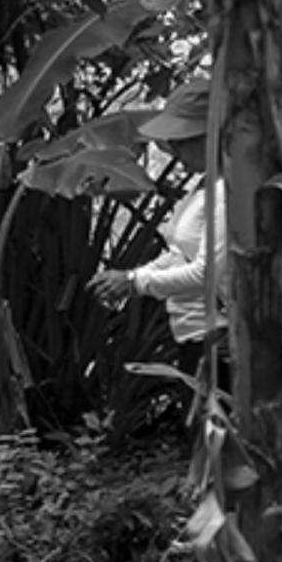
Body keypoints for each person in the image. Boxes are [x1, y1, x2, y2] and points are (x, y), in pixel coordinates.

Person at [90, 78, 216, 370]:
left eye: (182, 143)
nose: (176, 152)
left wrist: (136, 283)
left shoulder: (228, 191)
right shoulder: (203, 186)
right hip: (196, 338)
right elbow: (180, 252)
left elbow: (207, 273)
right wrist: (130, 277)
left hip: (222, 342)